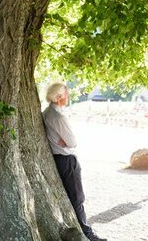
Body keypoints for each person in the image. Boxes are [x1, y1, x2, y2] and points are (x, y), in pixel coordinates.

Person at [42, 83, 107, 241]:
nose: (68, 97)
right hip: (67, 161)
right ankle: (87, 234)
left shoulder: (48, 112)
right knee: (77, 198)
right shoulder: (57, 116)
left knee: (74, 197)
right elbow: (72, 142)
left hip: (61, 159)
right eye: (66, 94)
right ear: (59, 97)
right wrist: (68, 142)